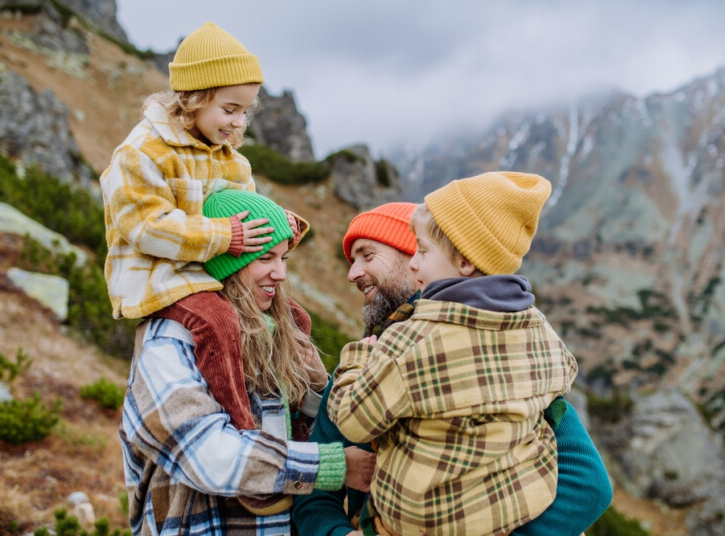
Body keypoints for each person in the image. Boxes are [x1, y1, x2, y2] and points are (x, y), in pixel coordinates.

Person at [293, 199, 612, 535]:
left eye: (367, 255)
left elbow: (588, 486)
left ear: (415, 253)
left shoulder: (501, 349)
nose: (352, 273)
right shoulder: (363, 362)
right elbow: (315, 483)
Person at [119, 189, 375, 535]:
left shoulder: (270, 334)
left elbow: (283, 439)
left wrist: (316, 392)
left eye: (284, 259)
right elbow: (207, 455)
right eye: (267, 258)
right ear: (230, 263)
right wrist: (329, 466)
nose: (281, 274)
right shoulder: (169, 340)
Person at [100, 22, 304, 433]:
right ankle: (243, 429)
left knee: (294, 317)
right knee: (217, 322)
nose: (238, 122)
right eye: (229, 110)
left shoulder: (232, 160)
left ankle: (300, 419)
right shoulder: (142, 153)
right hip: (162, 280)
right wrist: (224, 236)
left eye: (245, 111)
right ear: (191, 100)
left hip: (209, 274)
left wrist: (279, 226)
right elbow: (146, 226)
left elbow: (248, 214)